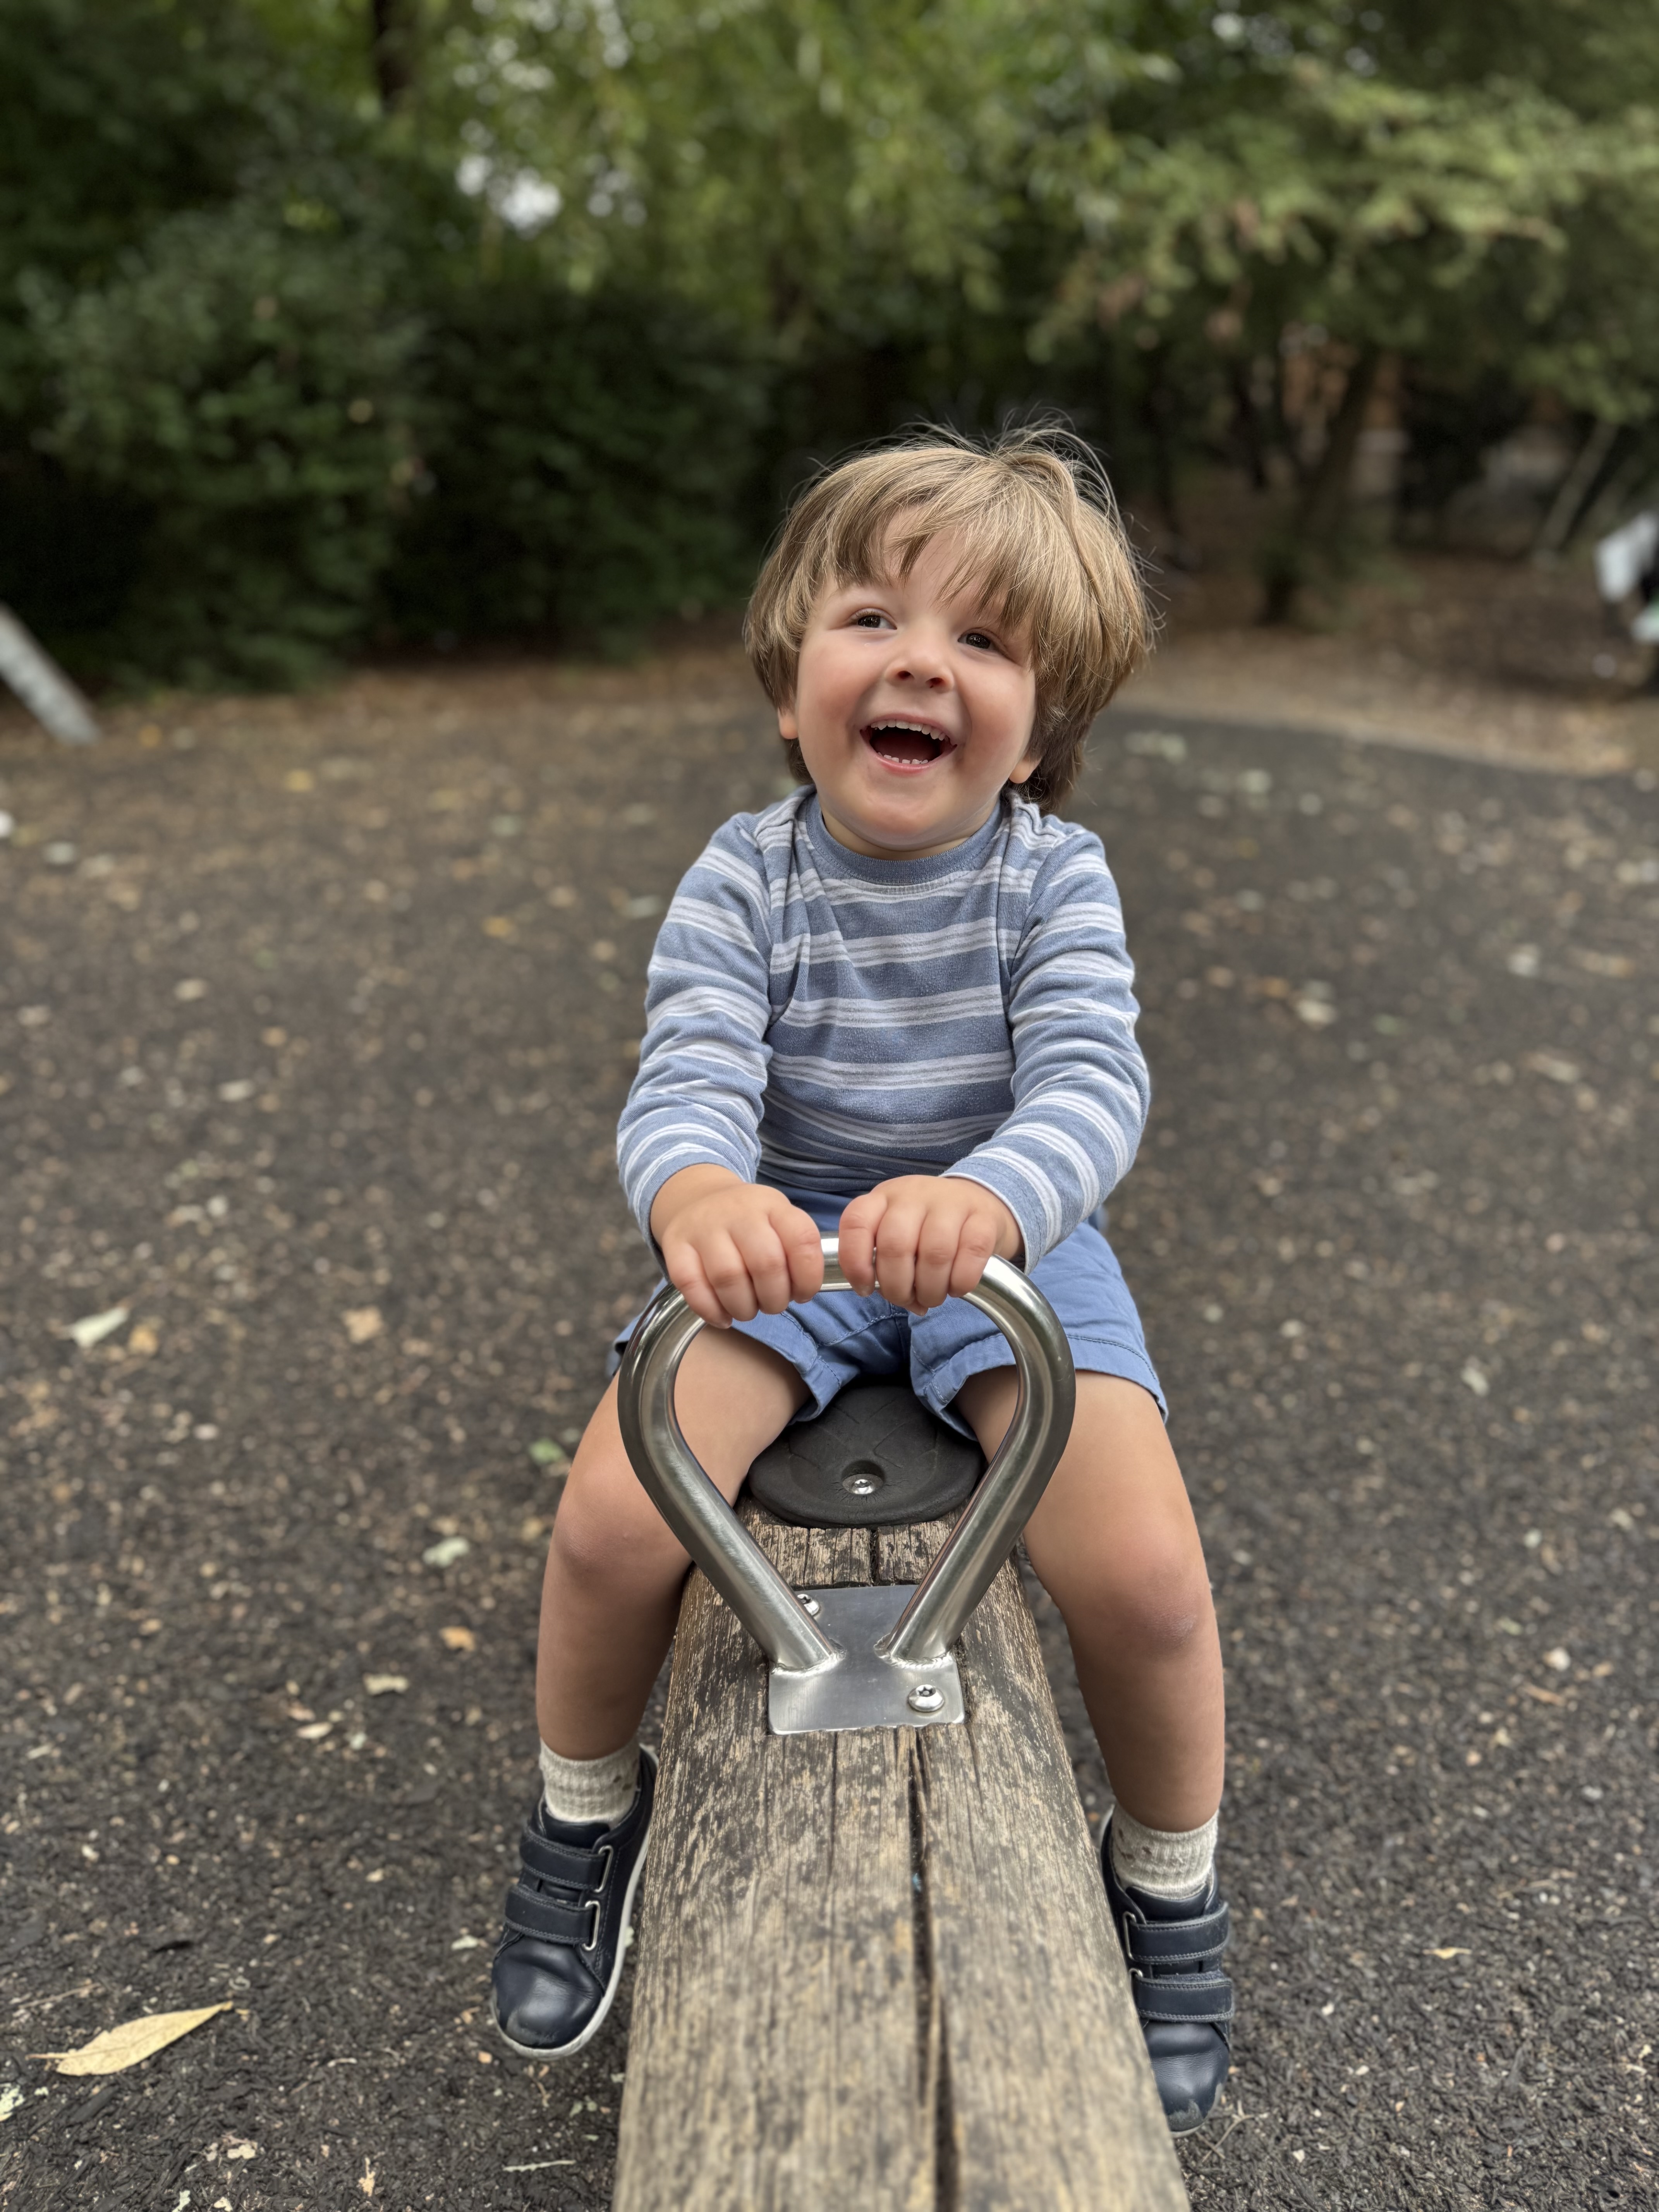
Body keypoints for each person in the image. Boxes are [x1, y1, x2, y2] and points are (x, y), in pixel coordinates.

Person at [490, 429, 1234, 2133]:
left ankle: (1172, 1883)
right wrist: (696, 1190)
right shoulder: (748, 879)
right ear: (789, 684)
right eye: (875, 618)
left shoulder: (1054, 881)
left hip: (1003, 1252)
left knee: (1148, 1579)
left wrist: (987, 1196)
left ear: (1039, 734)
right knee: (614, 1516)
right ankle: (584, 1812)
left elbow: (1090, 1088)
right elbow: (687, 1074)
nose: (921, 660)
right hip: (796, 1245)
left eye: (984, 643)